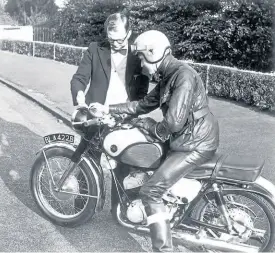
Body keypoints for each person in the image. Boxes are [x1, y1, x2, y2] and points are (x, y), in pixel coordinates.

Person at [90, 30, 219, 252]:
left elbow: (173, 123)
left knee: (151, 191)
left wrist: (149, 125)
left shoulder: (183, 76)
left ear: (153, 52)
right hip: (188, 138)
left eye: (141, 57)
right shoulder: (169, 75)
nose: (140, 63)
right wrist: (108, 109)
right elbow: (142, 104)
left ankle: (163, 249)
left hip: (194, 144)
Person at [70, 12, 150, 216]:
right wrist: (79, 95)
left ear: (129, 33)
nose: (114, 44)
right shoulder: (95, 50)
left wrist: (128, 114)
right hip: (96, 118)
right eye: (111, 39)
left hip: (123, 119)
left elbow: (141, 93)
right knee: (88, 162)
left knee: (123, 168)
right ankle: (81, 210)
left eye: (119, 39)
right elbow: (79, 78)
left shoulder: (137, 55)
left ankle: (120, 212)